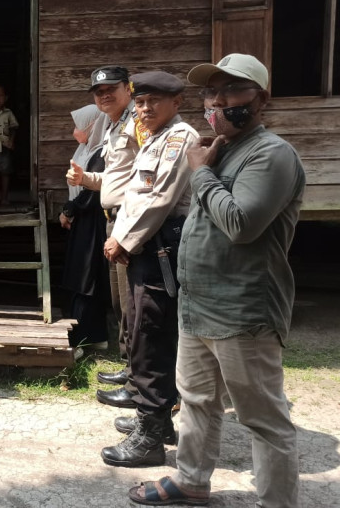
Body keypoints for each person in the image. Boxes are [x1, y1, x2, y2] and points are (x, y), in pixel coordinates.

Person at [128, 54, 304, 507]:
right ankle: (191, 480)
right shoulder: (220, 149)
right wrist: (207, 163)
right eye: (211, 92)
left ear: (259, 100)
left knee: (263, 417)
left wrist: (200, 170)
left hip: (243, 309)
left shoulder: (271, 154)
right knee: (196, 400)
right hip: (198, 304)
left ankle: (278, 502)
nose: (218, 101)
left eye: (232, 91)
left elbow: (241, 223)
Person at [100, 71, 199, 468]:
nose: (144, 109)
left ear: (176, 103)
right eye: (140, 102)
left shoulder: (179, 138)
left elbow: (159, 199)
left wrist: (124, 239)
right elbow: (134, 195)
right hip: (148, 245)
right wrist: (125, 238)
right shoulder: (154, 137)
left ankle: (151, 435)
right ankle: (157, 420)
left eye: (153, 101)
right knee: (143, 329)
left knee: (152, 334)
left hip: (164, 246)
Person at [66, 65, 144, 408]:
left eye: (111, 89)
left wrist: (125, 232)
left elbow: (146, 184)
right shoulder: (113, 127)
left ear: (128, 89)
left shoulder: (137, 124)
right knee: (121, 303)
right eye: (98, 92)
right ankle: (131, 370)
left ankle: (141, 383)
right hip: (112, 220)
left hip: (130, 224)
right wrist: (87, 180)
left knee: (135, 305)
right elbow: (112, 179)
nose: (104, 95)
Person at [59, 104, 111, 353]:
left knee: (86, 278)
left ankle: (82, 338)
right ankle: (96, 335)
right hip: (83, 219)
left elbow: (92, 193)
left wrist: (69, 210)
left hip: (93, 220)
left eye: (79, 125)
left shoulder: (102, 153)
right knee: (82, 275)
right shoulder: (86, 148)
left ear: (93, 124)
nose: (74, 130)